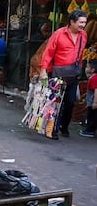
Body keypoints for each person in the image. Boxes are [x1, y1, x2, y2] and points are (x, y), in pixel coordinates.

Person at [40, 9, 88, 138]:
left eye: (84, 22)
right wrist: (43, 70)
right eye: (80, 22)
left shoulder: (83, 35)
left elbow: (81, 54)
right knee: (56, 103)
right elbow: (48, 52)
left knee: (71, 102)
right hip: (58, 73)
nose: (83, 25)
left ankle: (64, 126)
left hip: (74, 73)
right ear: (72, 22)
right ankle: (52, 129)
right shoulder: (59, 34)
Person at [79, 60, 97, 137]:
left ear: (92, 70)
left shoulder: (94, 79)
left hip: (93, 103)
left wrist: (95, 102)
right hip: (91, 102)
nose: (86, 68)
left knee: (91, 117)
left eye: (87, 67)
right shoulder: (92, 78)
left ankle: (90, 131)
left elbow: (96, 90)